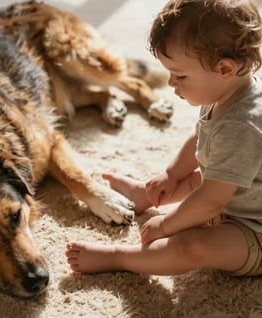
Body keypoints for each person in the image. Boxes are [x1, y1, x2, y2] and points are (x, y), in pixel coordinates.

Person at [65, 0, 262, 277]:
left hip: (254, 229)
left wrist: (166, 226)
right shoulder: (226, 92)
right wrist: (170, 175)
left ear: (225, 69)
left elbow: (211, 201)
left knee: (193, 246)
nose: (171, 83)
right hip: (236, 195)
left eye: (180, 75)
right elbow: (199, 138)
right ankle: (144, 196)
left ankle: (120, 257)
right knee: (201, 176)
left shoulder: (241, 126)